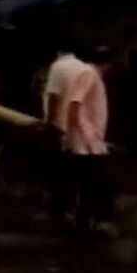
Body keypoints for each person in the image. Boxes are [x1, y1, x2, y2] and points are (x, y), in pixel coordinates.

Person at [65, 46, 116, 238]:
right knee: (98, 183)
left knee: (91, 184)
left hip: (91, 139)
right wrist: (87, 135)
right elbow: (76, 104)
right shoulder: (88, 74)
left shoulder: (90, 74)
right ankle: (90, 223)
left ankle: (86, 223)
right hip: (87, 142)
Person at [43, 37, 87, 224]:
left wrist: (50, 121)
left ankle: (60, 210)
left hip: (60, 125)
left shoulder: (57, 67)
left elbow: (53, 95)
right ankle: (75, 208)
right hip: (79, 124)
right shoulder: (83, 67)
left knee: (59, 171)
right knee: (76, 169)